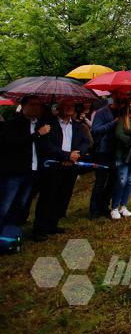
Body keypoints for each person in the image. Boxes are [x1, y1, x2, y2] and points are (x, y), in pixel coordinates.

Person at [33, 100, 89, 240]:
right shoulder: (48, 124)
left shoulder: (77, 126)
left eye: (72, 106)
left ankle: (53, 224)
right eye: (66, 106)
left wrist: (77, 154)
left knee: (63, 196)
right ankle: (40, 229)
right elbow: (45, 145)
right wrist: (65, 155)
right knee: (48, 196)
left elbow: (85, 142)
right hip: (54, 165)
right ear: (58, 108)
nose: (70, 108)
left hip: (71, 166)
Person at [0, 97, 49, 241]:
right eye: (32, 105)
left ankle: (10, 234)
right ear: (23, 106)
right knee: (5, 204)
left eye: (38, 105)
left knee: (21, 204)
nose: (35, 108)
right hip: (14, 171)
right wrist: (37, 134)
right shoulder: (13, 124)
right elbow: (10, 144)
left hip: (33, 170)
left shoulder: (41, 124)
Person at [88, 97, 116, 218]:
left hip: (118, 151)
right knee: (100, 181)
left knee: (113, 181)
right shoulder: (102, 112)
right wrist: (114, 122)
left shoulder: (125, 111)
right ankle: (94, 209)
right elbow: (95, 130)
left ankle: (104, 206)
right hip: (103, 151)